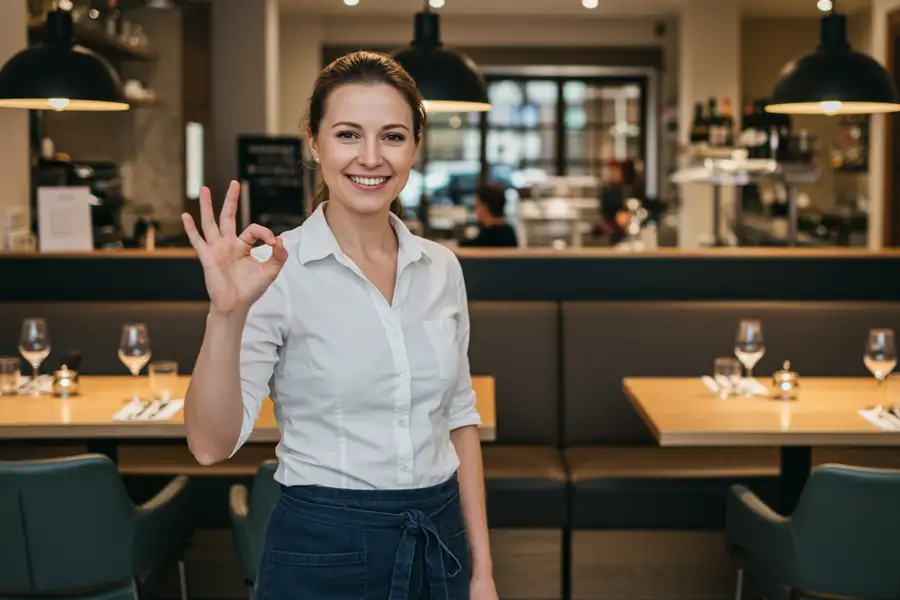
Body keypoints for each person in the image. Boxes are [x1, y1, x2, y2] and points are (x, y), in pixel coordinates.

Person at [180, 50, 497, 600]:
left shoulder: (442, 267)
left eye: (393, 136)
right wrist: (226, 314)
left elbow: (460, 421)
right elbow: (210, 445)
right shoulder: (272, 273)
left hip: (438, 545)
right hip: (321, 552)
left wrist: (482, 572)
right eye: (349, 134)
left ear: (416, 146)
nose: (371, 158)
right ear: (314, 142)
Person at [458, 182, 518, 248]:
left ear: (484, 207)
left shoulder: (485, 238)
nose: (475, 211)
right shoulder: (509, 232)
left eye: (477, 205)